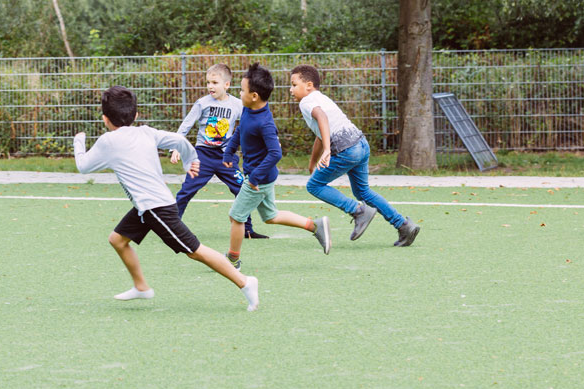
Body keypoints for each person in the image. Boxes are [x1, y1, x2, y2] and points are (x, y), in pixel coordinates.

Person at [74, 85, 260, 310]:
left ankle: (245, 282)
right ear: (136, 115)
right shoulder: (146, 131)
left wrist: (79, 141)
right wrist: (191, 160)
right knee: (117, 239)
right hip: (147, 207)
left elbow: (83, 166)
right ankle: (141, 287)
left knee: (195, 251)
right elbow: (179, 141)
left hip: (156, 209)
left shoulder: (107, 142)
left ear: (105, 119)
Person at [289, 64, 420, 247]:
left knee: (314, 186)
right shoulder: (322, 98)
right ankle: (403, 225)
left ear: (309, 85)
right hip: (360, 144)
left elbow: (322, 119)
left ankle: (357, 211)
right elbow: (321, 133)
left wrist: (327, 149)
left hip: (346, 149)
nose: (290, 89)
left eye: (294, 84)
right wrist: (312, 163)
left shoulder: (307, 101)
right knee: (362, 191)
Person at [221, 63, 330, 269]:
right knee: (271, 216)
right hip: (261, 177)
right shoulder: (248, 110)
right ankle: (315, 226)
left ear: (254, 95)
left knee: (236, 216)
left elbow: (275, 153)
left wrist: (254, 178)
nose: (239, 93)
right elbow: (240, 131)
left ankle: (232, 260)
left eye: (242, 90)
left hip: (257, 179)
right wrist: (229, 150)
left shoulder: (265, 123)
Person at [170, 63, 268, 239]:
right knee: (187, 190)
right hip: (202, 156)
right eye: (208, 82)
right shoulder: (202, 103)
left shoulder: (238, 105)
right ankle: (171, 227)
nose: (210, 86)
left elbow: (253, 124)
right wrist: (177, 146)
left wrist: (266, 141)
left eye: (214, 82)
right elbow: (186, 125)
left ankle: (247, 230)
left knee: (242, 189)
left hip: (226, 158)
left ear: (227, 85)